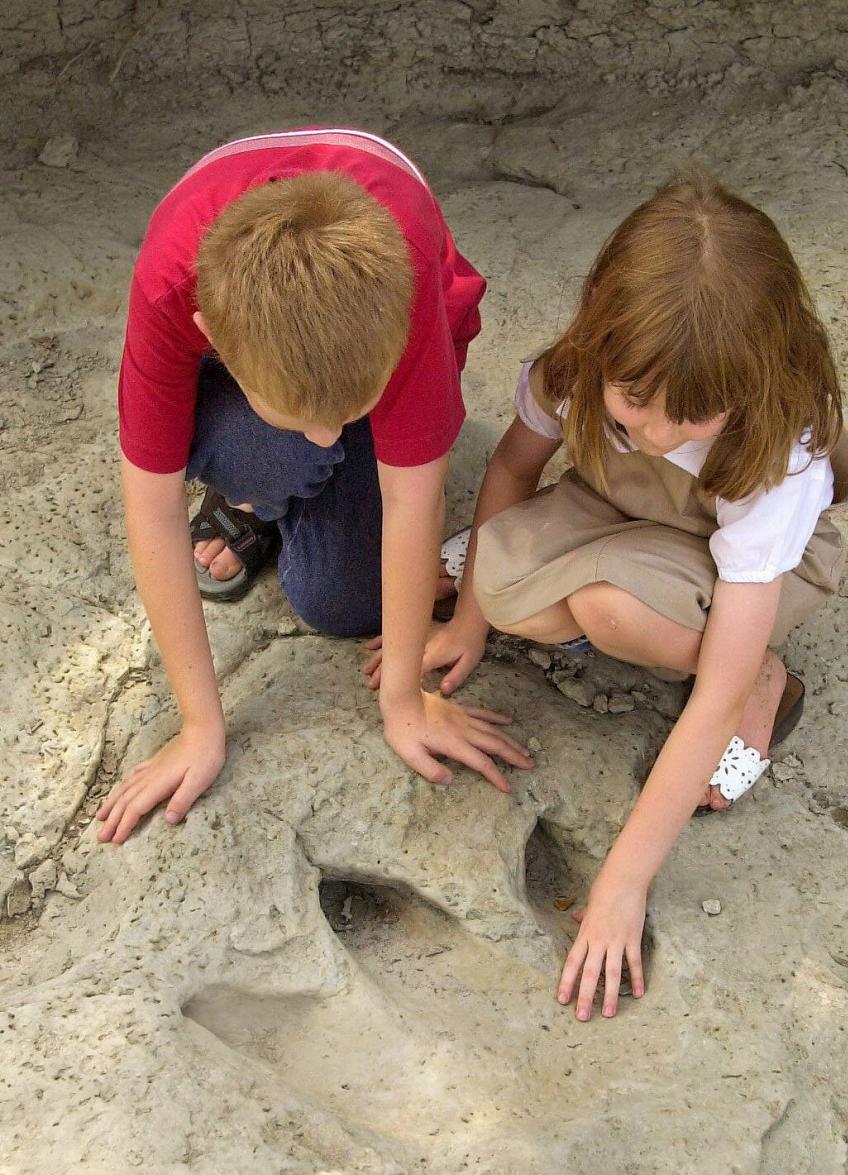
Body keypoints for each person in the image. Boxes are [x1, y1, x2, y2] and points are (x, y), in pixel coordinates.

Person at [367, 169, 848, 1020]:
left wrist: (621, 886)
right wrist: (476, 620)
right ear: (601, 327)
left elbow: (703, 708)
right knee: (507, 591)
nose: (659, 432)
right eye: (633, 405)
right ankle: (570, 588)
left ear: (756, 375)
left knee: (613, 612)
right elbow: (516, 467)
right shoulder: (580, 368)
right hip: (615, 507)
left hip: (743, 564)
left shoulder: (777, 454)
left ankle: (764, 675)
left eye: (691, 416)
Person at [96, 127, 533, 846]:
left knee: (342, 604)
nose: (329, 433)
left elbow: (412, 497)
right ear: (213, 336)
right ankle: (254, 495)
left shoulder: (408, 284)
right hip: (268, 357)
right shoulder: (169, 286)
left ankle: (280, 476)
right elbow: (150, 507)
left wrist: (404, 700)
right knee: (275, 452)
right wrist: (200, 724)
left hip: (357, 327)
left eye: (346, 418)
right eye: (312, 419)